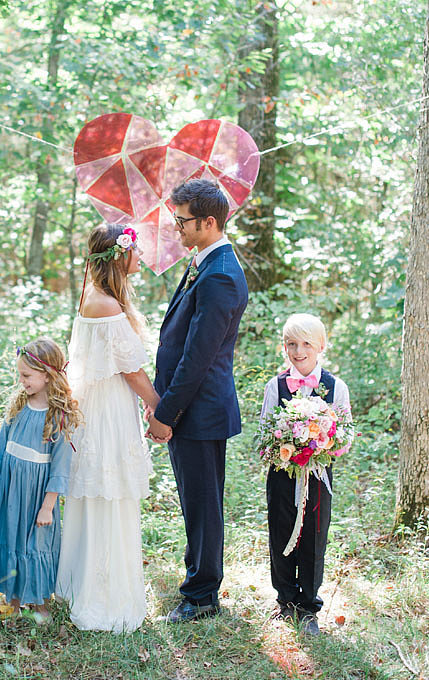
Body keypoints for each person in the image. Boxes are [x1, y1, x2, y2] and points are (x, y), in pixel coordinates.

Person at [147, 179, 248, 623]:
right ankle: (198, 581)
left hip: (198, 410)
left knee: (203, 504)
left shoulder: (221, 273)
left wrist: (165, 412)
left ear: (209, 222)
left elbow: (198, 358)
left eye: (182, 220)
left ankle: (203, 595)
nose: (176, 228)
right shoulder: (205, 263)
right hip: (190, 408)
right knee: (194, 501)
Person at [56, 224, 161, 632]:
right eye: (135, 250)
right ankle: (103, 595)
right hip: (108, 411)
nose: (141, 257)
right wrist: (159, 409)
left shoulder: (97, 296)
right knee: (108, 494)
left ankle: (87, 583)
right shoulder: (107, 306)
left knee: (100, 494)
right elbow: (132, 371)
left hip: (102, 405)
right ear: (119, 256)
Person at [260, 313, 352, 636]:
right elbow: (265, 431)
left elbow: (346, 434)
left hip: (317, 476)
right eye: (291, 345)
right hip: (283, 474)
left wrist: (324, 447)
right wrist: (284, 440)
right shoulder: (276, 386)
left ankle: (308, 606)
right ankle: (285, 600)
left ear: (321, 346)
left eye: (306, 344)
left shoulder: (335, 387)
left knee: (314, 536)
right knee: (281, 532)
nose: (298, 352)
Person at [0, 338, 80, 624]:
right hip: (11, 488)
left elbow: (60, 466)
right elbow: (1, 447)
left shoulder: (58, 416)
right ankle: (11, 601)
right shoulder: (18, 406)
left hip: (37, 494)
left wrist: (48, 506)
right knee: (9, 538)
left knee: (36, 545)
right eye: (20, 375)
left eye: (27, 376)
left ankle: (39, 602)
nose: (21, 381)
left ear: (48, 375)